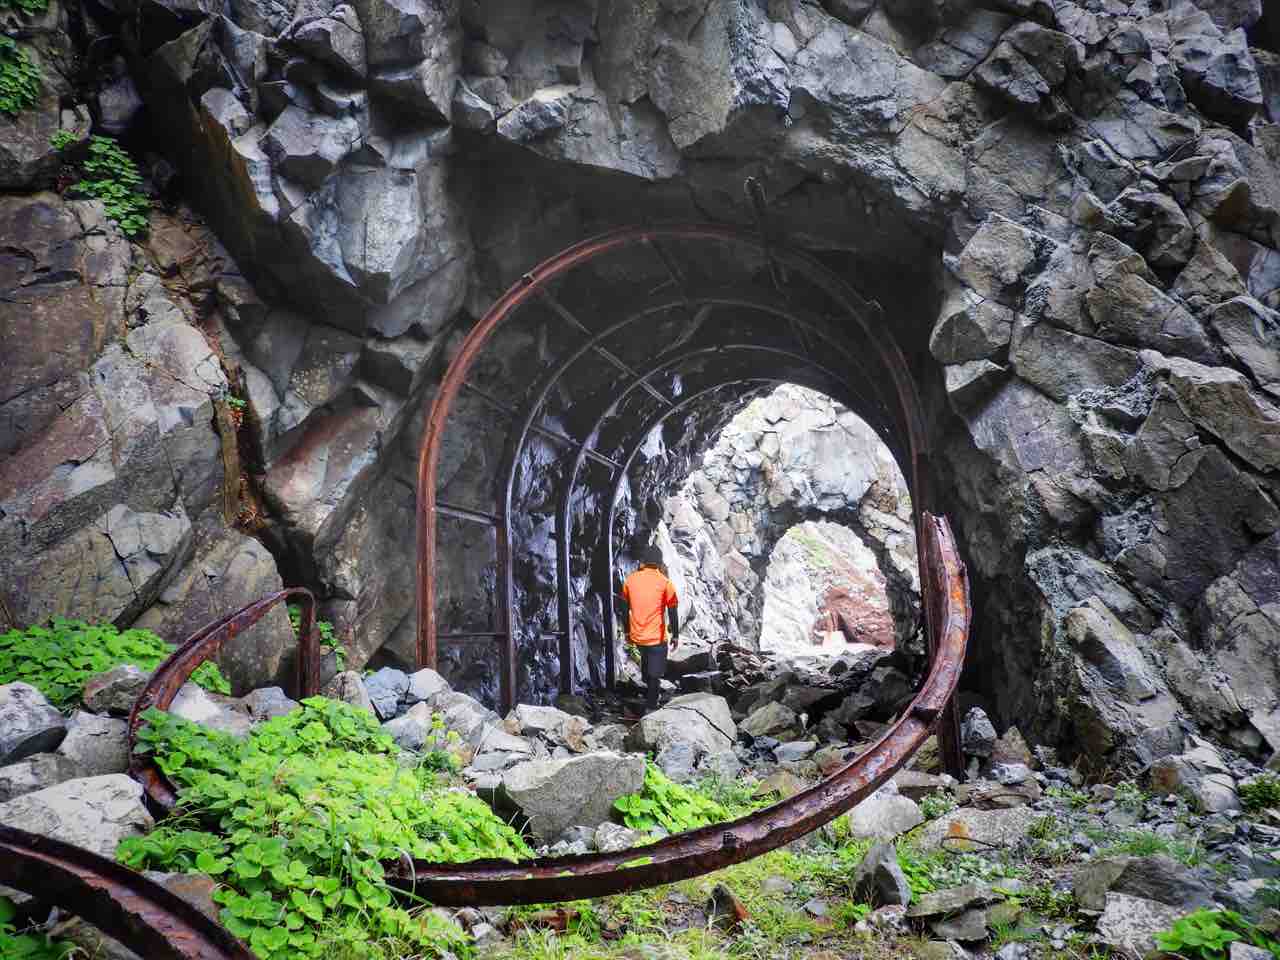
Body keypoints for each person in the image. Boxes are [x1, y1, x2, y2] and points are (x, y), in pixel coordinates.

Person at [620, 545, 679, 712]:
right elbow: (673, 610)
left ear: (642, 562)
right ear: (660, 564)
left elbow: (624, 608)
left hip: (638, 636)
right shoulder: (665, 583)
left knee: (647, 670)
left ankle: (649, 695)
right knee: (654, 675)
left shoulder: (630, 580)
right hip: (657, 638)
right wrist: (675, 634)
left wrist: (627, 631)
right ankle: (651, 707)